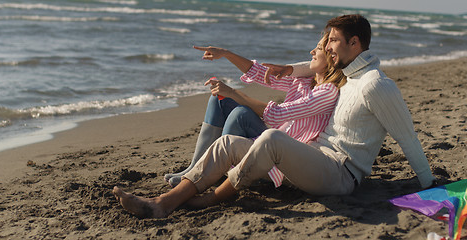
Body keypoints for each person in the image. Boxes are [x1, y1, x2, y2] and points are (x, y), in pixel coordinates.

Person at [112, 14, 436, 218]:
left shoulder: (376, 84)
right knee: (227, 144)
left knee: (270, 136)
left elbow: (407, 136)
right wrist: (284, 66)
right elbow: (312, 66)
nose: (328, 47)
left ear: (354, 43)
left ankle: (212, 199)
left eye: (333, 41)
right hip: (314, 158)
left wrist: (432, 186)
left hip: (342, 175)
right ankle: (163, 202)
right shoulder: (347, 76)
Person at [164, 31, 346, 187]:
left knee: (240, 113)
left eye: (319, 49)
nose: (312, 52)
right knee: (219, 100)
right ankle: (196, 167)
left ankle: (213, 172)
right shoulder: (304, 80)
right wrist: (226, 53)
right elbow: (258, 72)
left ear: (332, 57)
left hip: (282, 151)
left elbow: (276, 115)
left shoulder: (327, 93)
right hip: (273, 134)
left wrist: (234, 92)